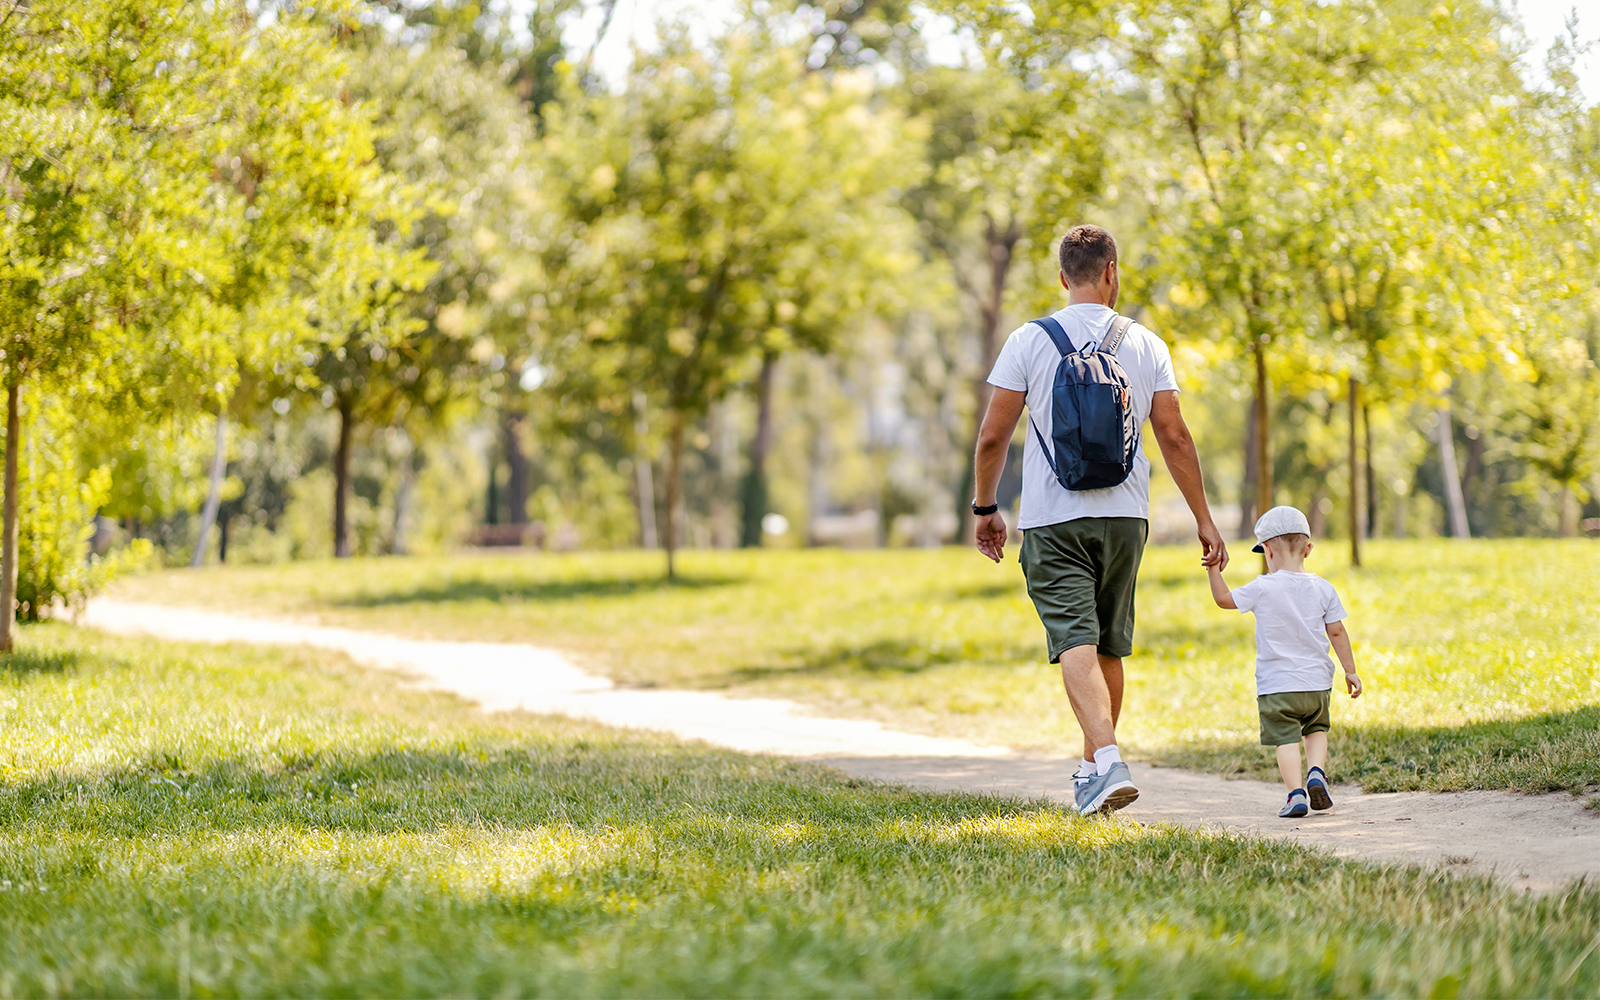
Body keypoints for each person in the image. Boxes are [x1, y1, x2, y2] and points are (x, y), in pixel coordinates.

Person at [972, 224, 1229, 816]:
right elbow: (1176, 436)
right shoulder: (1146, 344)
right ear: (1113, 272)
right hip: (1124, 517)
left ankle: (1108, 761)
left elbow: (992, 438)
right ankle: (1092, 771)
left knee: (1074, 643)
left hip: (1052, 518)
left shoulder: (1028, 340)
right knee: (1107, 646)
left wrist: (986, 508)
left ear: (1063, 278)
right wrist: (1204, 520)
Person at [1206, 505, 1363, 818]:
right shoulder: (1324, 588)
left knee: (1286, 739)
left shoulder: (1263, 586)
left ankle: (1295, 794)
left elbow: (1224, 600)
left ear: (1267, 550)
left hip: (1277, 686)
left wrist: (1213, 568)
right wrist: (1351, 671)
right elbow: (1338, 632)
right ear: (1308, 549)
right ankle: (1317, 772)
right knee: (1316, 729)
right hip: (1317, 684)